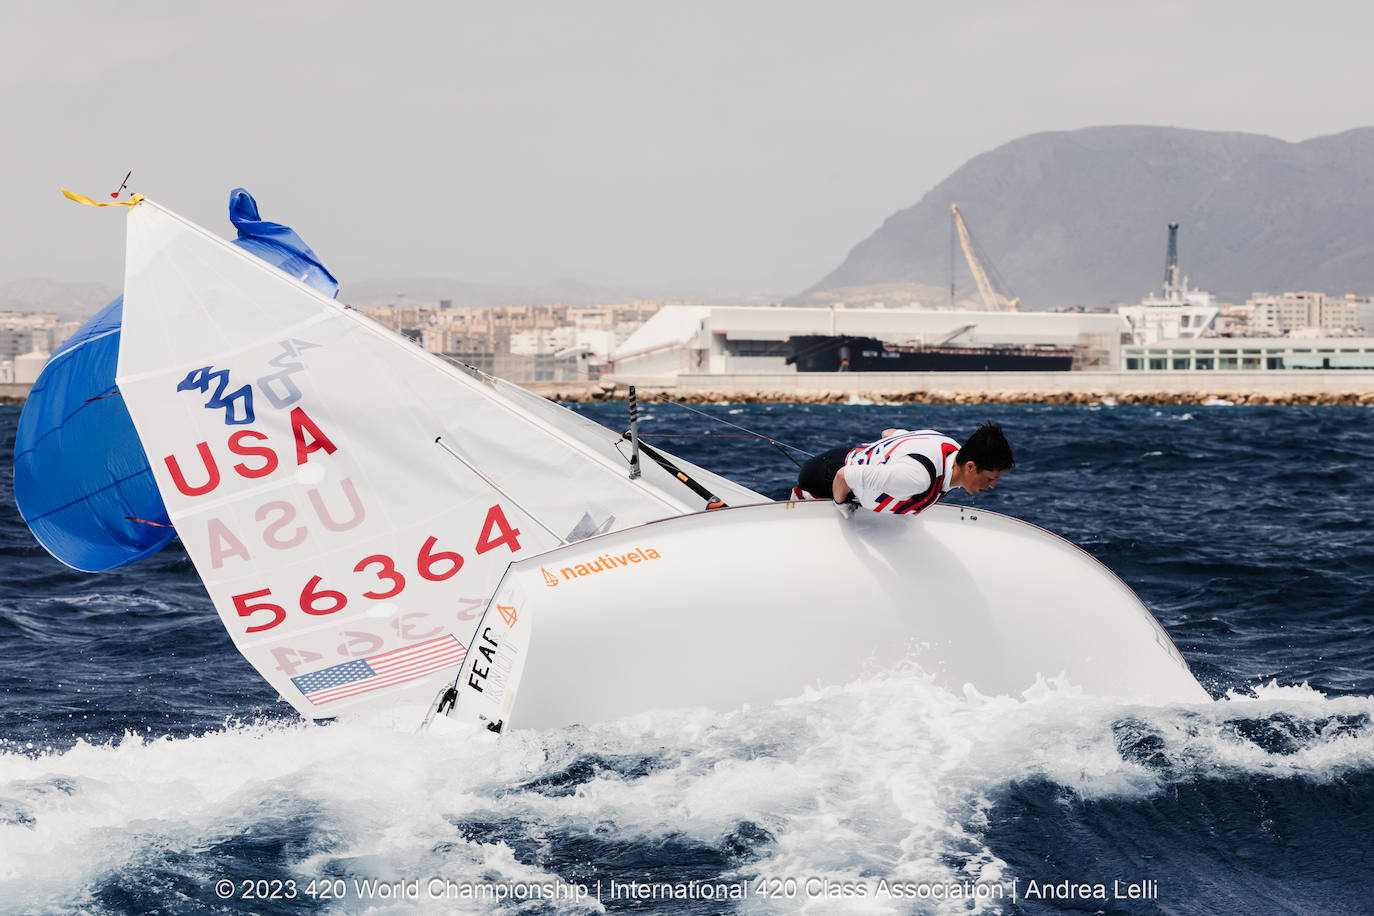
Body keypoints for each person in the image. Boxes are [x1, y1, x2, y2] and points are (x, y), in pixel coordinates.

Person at [790, 424, 1013, 514]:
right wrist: (842, 507)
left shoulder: (951, 448)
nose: (992, 486)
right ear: (970, 467)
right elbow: (844, 476)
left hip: (845, 454)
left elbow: (890, 432)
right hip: (824, 478)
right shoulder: (916, 479)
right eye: (990, 478)